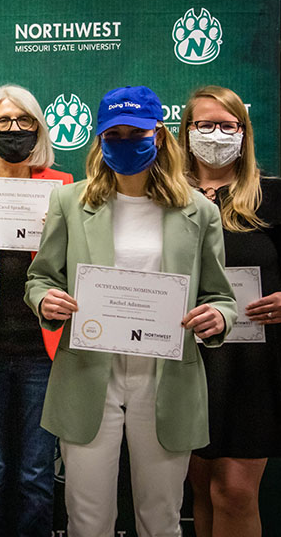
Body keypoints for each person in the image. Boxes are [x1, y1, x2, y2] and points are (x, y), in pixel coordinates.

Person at [24, 85, 237, 537]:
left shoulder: (199, 211)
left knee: (160, 519)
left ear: (158, 135)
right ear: (99, 139)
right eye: (113, 134)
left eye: (135, 132)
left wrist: (219, 317)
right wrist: (46, 299)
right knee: (87, 519)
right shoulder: (70, 202)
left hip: (167, 379)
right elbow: (40, 278)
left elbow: (221, 296)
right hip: (88, 375)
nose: (124, 141)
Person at [0, 84, 72, 536]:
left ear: (39, 128)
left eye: (24, 121)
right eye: (3, 122)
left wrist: (63, 234)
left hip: (42, 350)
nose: (14, 130)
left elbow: (84, 268)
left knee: (35, 475)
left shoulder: (63, 188)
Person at [177, 86, 281, 537]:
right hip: (188, 359)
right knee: (201, 488)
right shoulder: (167, 199)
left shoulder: (273, 194)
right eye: (204, 125)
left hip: (252, 365)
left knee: (235, 491)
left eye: (228, 125)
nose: (216, 134)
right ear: (186, 132)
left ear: (244, 132)